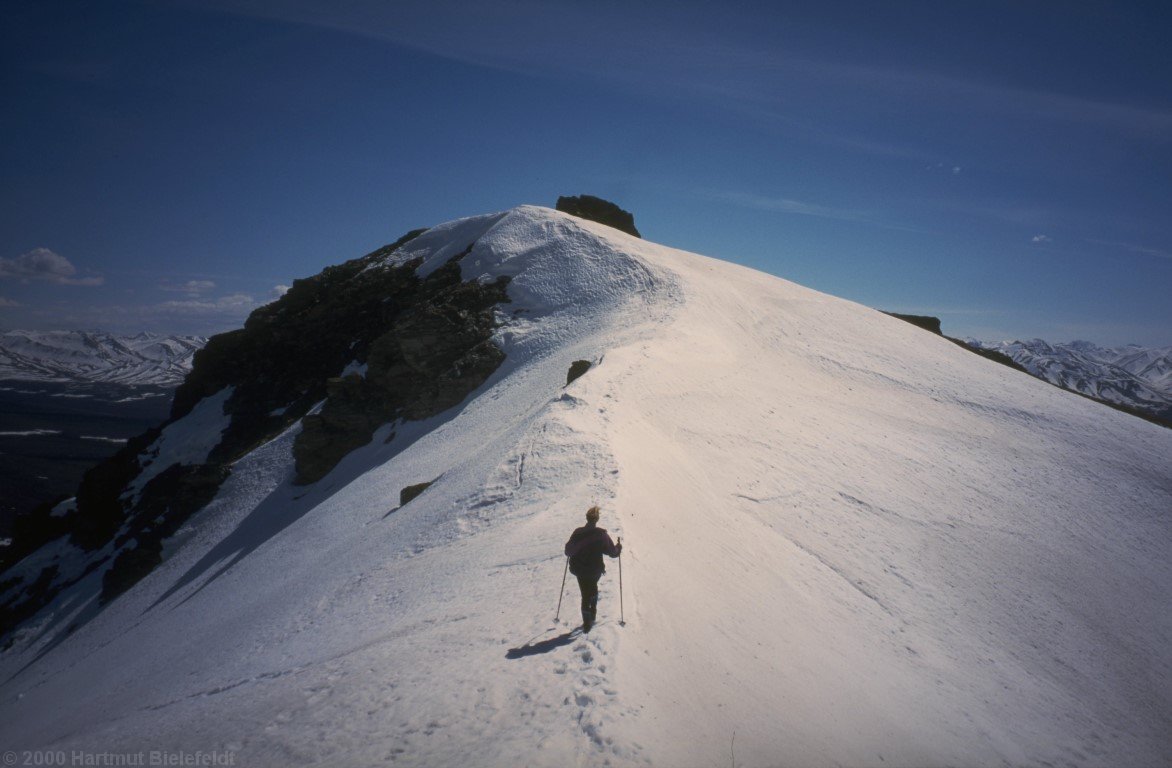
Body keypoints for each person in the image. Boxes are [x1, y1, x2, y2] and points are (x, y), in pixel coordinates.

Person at [564, 505, 621, 631]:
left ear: (586, 518)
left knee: (585, 593)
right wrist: (618, 549)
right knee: (593, 589)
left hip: (579, 569)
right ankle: (593, 614)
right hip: (595, 570)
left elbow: (568, 551)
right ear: (597, 519)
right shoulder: (601, 534)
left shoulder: (577, 532)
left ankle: (587, 622)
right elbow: (611, 552)